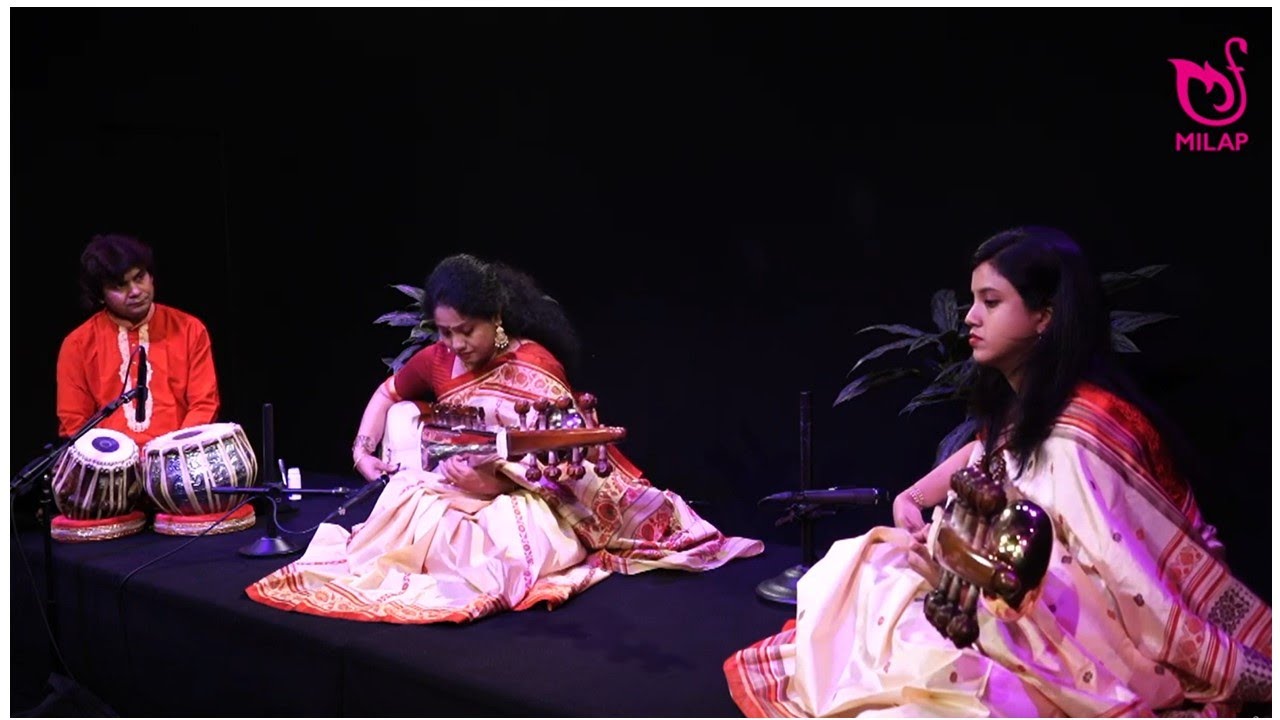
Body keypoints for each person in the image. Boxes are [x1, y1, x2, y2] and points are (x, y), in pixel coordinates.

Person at [724, 227, 1270, 717]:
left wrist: (962, 576)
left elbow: (1113, 573)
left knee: (906, 657)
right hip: (1005, 597)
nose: (969, 318)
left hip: (1079, 633)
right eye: (972, 301)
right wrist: (911, 501)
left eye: (990, 302)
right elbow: (988, 450)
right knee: (861, 565)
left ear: (1045, 317)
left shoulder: (1080, 434)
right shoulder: (1034, 403)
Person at [248, 253, 763, 623]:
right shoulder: (439, 359)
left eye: (464, 331)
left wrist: (493, 475)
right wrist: (363, 451)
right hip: (449, 496)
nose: (453, 345)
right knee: (400, 520)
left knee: (503, 553)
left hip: (520, 500)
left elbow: (558, 470)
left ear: (496, 320)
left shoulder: (534, 365)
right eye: (443, 332)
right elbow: (387, 394)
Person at [56, 233, 221, 449]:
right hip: (109, 469)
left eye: (139, 277)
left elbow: (204, 404)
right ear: (99, 296)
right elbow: (74, 420)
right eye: (119, 286)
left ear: (151, 276)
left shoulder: (190, 329)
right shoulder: (78, 344)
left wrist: (172, 454)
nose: (135, 291)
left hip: (178, 461)